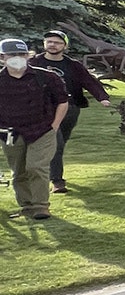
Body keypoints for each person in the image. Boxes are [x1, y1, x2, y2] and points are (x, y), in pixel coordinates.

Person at [32, 29, 111, 194]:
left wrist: (102, 97)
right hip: (44, 110)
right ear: (44, 44)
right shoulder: (34, 63)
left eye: (57, 42)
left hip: (70, 108)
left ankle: (51, 168)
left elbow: (89, 82)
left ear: (65, 46)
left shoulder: (73, 65)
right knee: (56, 144)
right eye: (49, 42)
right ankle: (57, 182)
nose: (53, 45)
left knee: (61, 143)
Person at [0, 39, 69, 220]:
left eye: (21, 54)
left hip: (42, 129)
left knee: (36, 167)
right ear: (2, 57)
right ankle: (27, 206)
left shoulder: (46, 77)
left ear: (28, 56)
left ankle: (41, 207)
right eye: (12, 55)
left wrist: (54, 126)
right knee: (19, 172)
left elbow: (62, 101)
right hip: (9, 132)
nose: (17, 58)